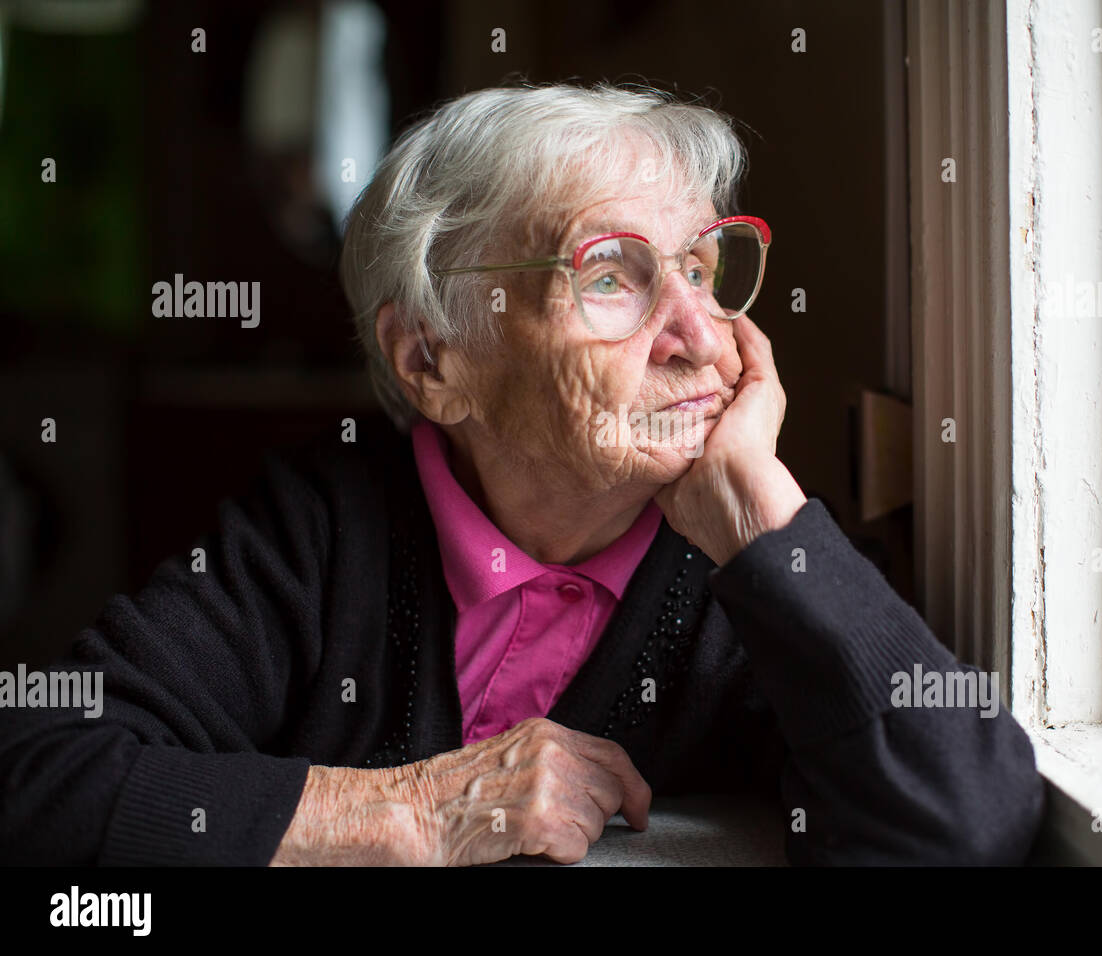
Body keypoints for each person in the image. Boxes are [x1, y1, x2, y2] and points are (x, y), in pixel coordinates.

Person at [0, 82, 1043, 866]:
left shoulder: (750, 563)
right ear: (432, 359)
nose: (697, 333)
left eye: (700, 267)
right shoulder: (320, 529)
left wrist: (762, 514)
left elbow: (965, 817)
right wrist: (416, 809)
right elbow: (35, 774)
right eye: (608, 276)